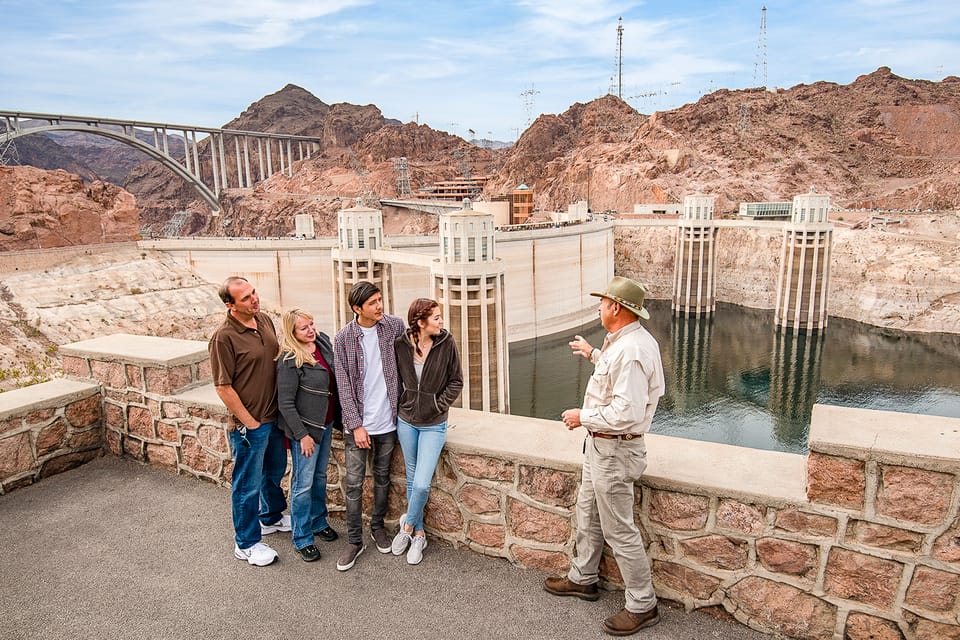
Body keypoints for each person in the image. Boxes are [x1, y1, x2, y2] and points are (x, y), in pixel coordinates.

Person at [543, 276, 666, 636]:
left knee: (620, 530)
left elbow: (626, 411)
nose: (599, 308)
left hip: (615, 448)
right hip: (602, 447)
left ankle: (643, 605)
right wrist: (593, 353)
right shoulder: (625, 343)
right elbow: (615, 377)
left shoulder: (633, 351)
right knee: (589, 513)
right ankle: (583, 579)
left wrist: (583, 417)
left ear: (616, 308)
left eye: (602, 303)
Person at [208, 276, 289, 567]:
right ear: (230, 305)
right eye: (245, 298)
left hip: (273, 417)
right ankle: (246, 543)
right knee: (246, 485)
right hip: (249, 425)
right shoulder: (223, 337)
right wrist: (249, 422)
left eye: (253, 293)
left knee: (274, 471)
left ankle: (271, 517)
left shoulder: (264, 320)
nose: (254, 299)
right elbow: (223, 387)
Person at [333, 281, 406, 571]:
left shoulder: (394, 327)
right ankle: (354, 540)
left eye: (380, 300)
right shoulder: (344, 339)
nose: (380, 306)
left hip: (388, 420)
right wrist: (355, 425)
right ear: (357, 308)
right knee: (353, 484)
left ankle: (377, 527)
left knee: (383, 476)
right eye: (373, 302)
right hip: (360, 424)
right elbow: (343, 385)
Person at [390, 299, 463, 565]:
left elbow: (456, 381)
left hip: (434, 423)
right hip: (407, 420)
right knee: (411, 480)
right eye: (436, 317)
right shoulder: (401, 344)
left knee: (421, 483)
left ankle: (406, 526)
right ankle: (419, 534)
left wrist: (436, 404)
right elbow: (394, 378)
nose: (441, 322)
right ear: (421, 323)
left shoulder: (446, 343)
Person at [275, 308, 342, 563]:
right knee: (302, 484)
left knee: (320, 477)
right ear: (292, 333)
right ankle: (302, 537)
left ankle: (317, 521)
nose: (310, 330)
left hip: (325, 425)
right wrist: (302, 436)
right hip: (306, 432)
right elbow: (286, 404)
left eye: (311, 324)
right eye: (304, 328)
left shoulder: (322, 342)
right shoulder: (289, 359)